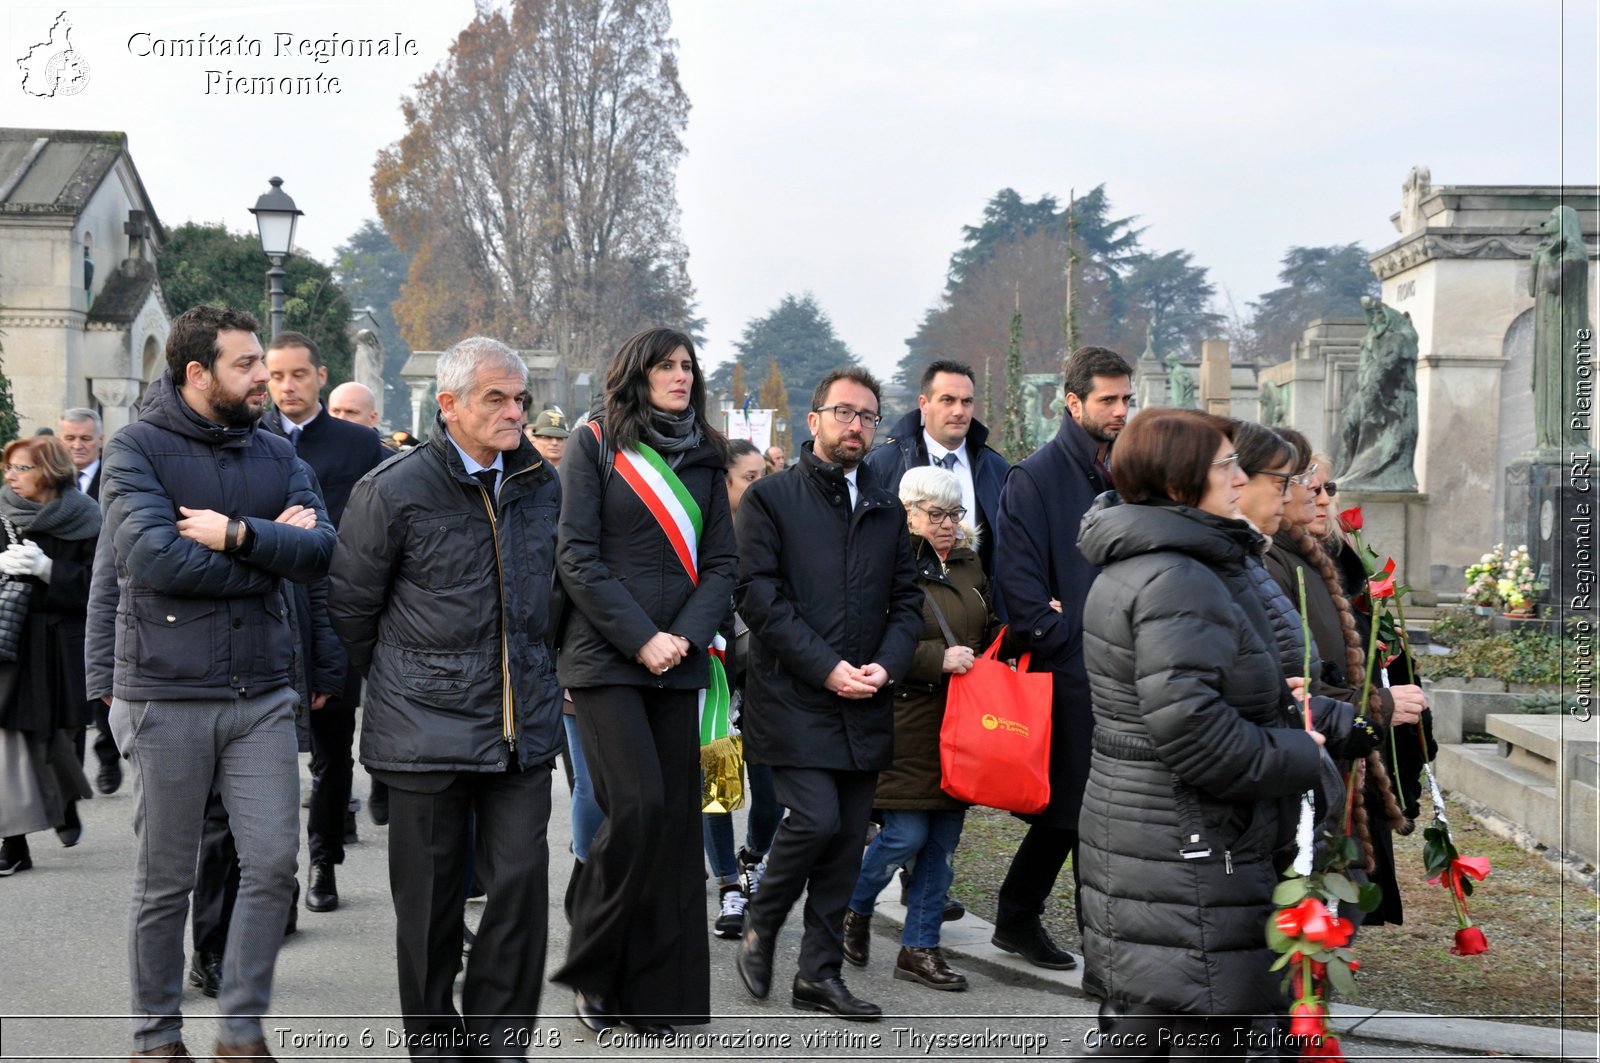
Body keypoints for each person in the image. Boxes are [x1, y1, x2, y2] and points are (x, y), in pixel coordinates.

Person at [84, 305, 335, 1062]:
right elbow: (156, 561)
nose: (266, 377)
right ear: (199, 374)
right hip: (165, 694)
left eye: (264, 361)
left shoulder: (278, 451)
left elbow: (320, 547)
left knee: (271, 867)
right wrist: (270, 553)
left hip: (262, 694)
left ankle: (239, 1030)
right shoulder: (135, 449)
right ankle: (156, 1037)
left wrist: (237, 534)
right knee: (166, 880)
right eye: (247, 364)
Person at [1074, 409, 1362, 1052]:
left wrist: (1277, 700)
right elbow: (1193, 733)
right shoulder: (1178, 576)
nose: (1241, 476)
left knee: (1161, 1016)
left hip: (1167, 837)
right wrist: (1298, 747)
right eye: (1225, 464)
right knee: (1196, 1019)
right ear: (1180, 482)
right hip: (1189, 845)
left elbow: (1192, 690)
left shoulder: (1169, 561)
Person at [329, 336, 562, 1056]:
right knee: (429, 905)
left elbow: (551, 595)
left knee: (521, 886)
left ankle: (501, 1039)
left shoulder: (542, 484)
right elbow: (351, 609)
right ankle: (434, 1040)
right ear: (450, 404)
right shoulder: (391, 489)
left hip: (520, 725)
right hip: (423, 729)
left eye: (519, 398)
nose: (513, 411)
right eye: (496, 397)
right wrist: (411, 684)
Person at [551, 328, 735, 1036]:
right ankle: (594, 964)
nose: (681, 375)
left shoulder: (707, 455)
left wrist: (684, 636)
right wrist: (642, 637)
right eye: (666, 365)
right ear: (636, 373)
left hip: (680, 659)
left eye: (688, 365)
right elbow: (577, 554)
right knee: (637, 808)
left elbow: (723, 562)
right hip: (605, 659)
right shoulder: (594, 443)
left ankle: (661, 989)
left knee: (677, 821)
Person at [733, 367, 923, 1021]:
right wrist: (827, 667)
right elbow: (759, 597)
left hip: (865, 699)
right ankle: (761, 916)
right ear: (813, 420)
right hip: (795, 696)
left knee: (845, 841)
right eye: (843, 411)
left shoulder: (884, 505)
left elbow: (907, 600)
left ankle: (818, 974)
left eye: (868, 415)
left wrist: (885, 666)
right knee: (813, 820)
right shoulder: (771, 500)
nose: (856, 425)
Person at [989, 345, 1133, 974]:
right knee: (1074, 812)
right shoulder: (1036, 477)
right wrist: (1074, 640)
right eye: (1108, 399)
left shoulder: (1129, 473)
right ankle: (1093, 952)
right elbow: (1019, 591)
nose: (1122, 411)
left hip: (1126, 668)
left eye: (1127, 398)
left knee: (1082, 816)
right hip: (1072, 673)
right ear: (1072, 403)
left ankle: (1018, 916)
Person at [842, 466, 1002, 993]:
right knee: (907, 833)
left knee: (944, 844)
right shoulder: (889, 563)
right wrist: (937, 659)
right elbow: (868, 641)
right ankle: (855, 907)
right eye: (936, 514)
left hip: (962, 723)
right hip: (908, 718)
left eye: (954, 514)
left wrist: (1019, 626)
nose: (947, 525)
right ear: (908, 513)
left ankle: (920, 948)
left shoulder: (968, 563)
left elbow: (987, 624)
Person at [1264, 436, 1424, 930]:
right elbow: (1294, 675)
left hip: (1344, 734)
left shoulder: (1325, 558)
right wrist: (1373, 703)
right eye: (1311, 486)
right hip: (1320, 736)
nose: (1324, 497)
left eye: (1328, 486)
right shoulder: (1276, 563)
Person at [265, 330, 391, 909]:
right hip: (265, 612)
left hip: (335, 613)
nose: (286, 386)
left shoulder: (358, 445)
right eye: (275, 376)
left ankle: (324, 864)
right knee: (264, 759)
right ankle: (275, 878)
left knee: (331, 749)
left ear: (319, 375)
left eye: (297, 374)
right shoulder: (249, 437)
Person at [0, 436, 98, 875]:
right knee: (11, 739)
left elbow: (101, 587)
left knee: (61, 732)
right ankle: (13, 842)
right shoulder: (2, 513)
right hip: (9, 640)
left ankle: (65, 798)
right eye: (10, 468)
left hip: (63, 641)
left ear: (50, 471)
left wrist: (48, 570)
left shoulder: (85, 517)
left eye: (21, 468)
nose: (11, 476)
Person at [702, 438, 783, 938]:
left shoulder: (773, 532)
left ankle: (753, 856)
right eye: (750, 477)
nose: (760, 485)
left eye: (763, 475)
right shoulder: (704, 538)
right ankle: (729, 886)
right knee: (719, 792)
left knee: (771, 795)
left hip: (766, 685)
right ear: (724, 482)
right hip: (716, 684)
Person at [864, 360, 1009, 579]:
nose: (959, 411)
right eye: (948, 400)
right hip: (909, 605)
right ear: (924, 403)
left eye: (967, 401)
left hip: (984, 606)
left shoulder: (997, 469)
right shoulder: (883, 464)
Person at [59, 407, 120, 794]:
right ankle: (74, 774)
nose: (78, 446)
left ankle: (109, 757)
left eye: (85, 438)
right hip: (65, 600)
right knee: (72, 693)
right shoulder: (51, 482)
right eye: (70, 439)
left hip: (106, 596)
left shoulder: (113, 477)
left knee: (104, 688)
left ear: (99, 439)